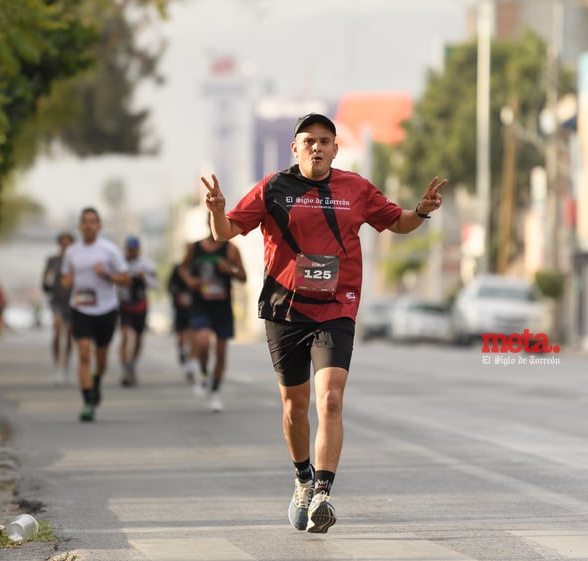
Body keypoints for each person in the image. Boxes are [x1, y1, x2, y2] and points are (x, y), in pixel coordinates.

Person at [201, 113, 446, 533]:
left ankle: (322, 494)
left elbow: (397, 223)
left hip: (336, 308)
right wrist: (218, 212)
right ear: (294, 148)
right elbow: (226, 233)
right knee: (294, 408)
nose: (317, 147)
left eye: (325, 141)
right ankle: (302, 478)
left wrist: (421, 212)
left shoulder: (356, 189)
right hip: (285, 310)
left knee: (330, 399)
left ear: (336, 148)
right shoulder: (273, 188)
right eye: (309, 141)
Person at [61, 207, 130, 422]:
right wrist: (68, 282)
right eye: (85, 221)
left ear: (99, 226)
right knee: (83, 353)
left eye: (93, 221)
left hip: (106, 309)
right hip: (81, 308)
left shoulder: (109, 250)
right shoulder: (71, 252)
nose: (89, 225)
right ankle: (87, 402)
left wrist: (106, 275)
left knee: (100, 359)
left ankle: (97, 381)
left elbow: (126, 278)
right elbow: (65, 278)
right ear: (80, 226)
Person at [178, 219, 247, 412]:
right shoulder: (195, 248)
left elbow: (243, 276)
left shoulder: (231, 249)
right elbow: (182, 268)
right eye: (213, 222)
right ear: (209, 224)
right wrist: (190, 280)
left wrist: (230, 270)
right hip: (201, 305)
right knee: (203, 342)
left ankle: (214, 390)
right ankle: (202, 372)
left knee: (221, 351)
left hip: (222, 307)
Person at [117, 235, 159, 387]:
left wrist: (144, 278)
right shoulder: (119, 263)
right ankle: (125, 368)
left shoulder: (146, 264)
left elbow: (156, 285)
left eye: (134, 250)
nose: (132, 252)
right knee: (126, 335)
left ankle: (132, 364)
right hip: (124, 304)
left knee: (139, 338)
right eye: (129, 249)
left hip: (140, 305)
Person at [42, 231, 75, 385]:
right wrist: (47, 284)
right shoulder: (52, 260)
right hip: (56, 299)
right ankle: (56, 366)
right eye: (63, 243)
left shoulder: (76, 261)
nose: (65, 246)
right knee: (57, 328)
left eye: (68, 243)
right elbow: (45, 279)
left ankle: (66, 365)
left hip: (72, 300)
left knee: (69, 333)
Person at [167, 262, 194, 381]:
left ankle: (190, 367)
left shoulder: (196, 266)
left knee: (193, 338)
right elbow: (170, 286)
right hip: (180, 309)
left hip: (194, 309)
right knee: (181, 338)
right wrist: (176, 294)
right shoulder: (177, 269)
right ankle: (182, 351)